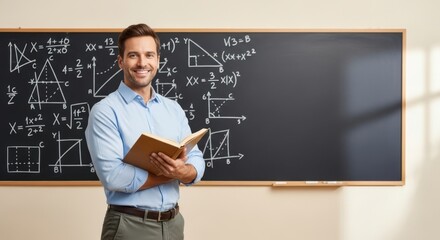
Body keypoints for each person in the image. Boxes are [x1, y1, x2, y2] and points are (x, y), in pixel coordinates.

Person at [85, 23, 205, 240]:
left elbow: (196, 159)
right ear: (121, 61)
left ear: (158, 60)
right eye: (133, 55)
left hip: (174, 224)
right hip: (128, 225)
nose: (142, 63)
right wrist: (172, 173)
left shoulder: (173, 109)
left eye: (149, 55)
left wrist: (183, 172)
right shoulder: (105, 111)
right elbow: (114, 177)